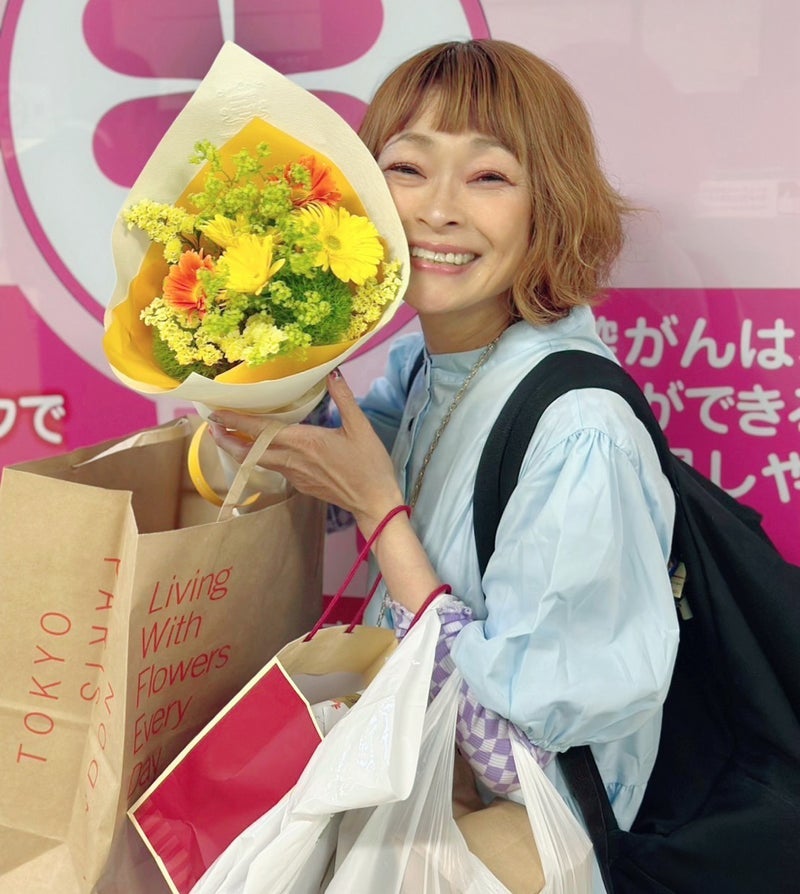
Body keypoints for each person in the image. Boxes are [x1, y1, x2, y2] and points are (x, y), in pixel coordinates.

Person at [209, 39, 679, 892]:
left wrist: (383, 517)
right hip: (415, 773)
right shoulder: (429, 367)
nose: (437, 210)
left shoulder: (580, 432)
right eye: (407, 169)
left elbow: (525, 762)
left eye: (488, 177)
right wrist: (248, 357)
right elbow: (325, 482)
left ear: (551, 205)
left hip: (529, 832)